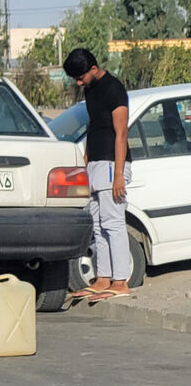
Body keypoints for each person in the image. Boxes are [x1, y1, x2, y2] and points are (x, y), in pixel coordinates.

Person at [63, 48, 132, 302]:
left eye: (81, 77)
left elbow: (121, 132)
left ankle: (121, 280)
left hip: (113, 164)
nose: (79, 83)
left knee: (113, 222)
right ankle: (104, 277)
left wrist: (119, 175)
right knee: (97, 223)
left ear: (93, 69)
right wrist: (86, 161)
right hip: (95, 163)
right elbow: (94, 126)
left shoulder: (114, 88)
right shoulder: (90, 90)